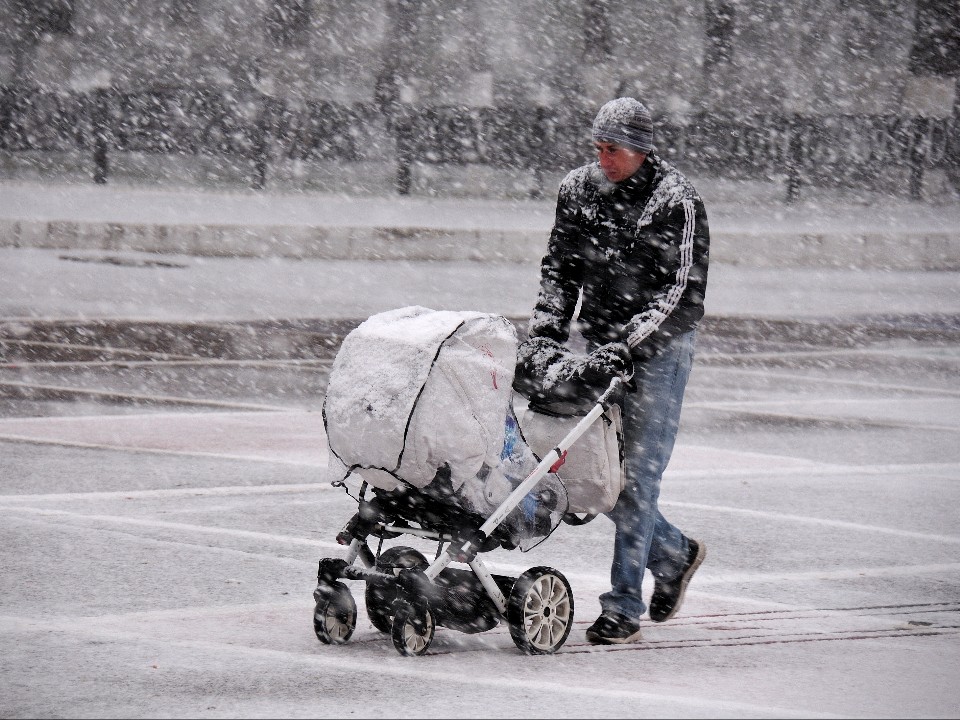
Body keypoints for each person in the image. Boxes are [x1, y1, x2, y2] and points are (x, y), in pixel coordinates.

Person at [516, 97, 709, 644]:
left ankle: (623, 605)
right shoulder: (578, 190)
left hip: (659, 351)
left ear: (642, 150)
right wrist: (547, 338)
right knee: (595, 473)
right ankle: (673, 555)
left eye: (613, 150)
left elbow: (679, 293)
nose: (603, 159)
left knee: (640, 477)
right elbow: (560, 269)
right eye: (597, 148)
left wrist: (629, 344)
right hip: (601, 344)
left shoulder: (677, 200)